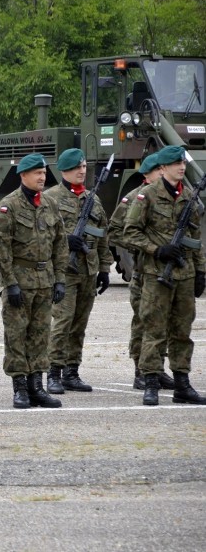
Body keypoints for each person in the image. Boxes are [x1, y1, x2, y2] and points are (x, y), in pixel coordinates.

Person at [122, 145, 206, 406]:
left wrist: (201, 271)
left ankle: (182, 383)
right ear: (164, 168)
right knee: (154, 330)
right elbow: (129, 233)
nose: (181, 167)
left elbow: (195, 238)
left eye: (182, 163)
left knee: (182, 331)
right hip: (155, 274)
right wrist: (157, 250)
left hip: (185, 274)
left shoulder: (189, 196)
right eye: (175, 163)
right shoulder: (146, 196)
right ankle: (150, 382)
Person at [0, 153, 67, 409]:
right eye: (37, 173)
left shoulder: (49, 203)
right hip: (20, 281)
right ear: (23, 175)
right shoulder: (9, 205)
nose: (42, 177)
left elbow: (60, 243)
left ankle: (37, 386)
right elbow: (1, 248)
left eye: (44, 173)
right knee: (17, 335)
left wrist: (60, 279)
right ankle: (20, 387)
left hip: (45, 281)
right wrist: (10, 283)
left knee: (40, 335)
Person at [44, 149, 113, 394]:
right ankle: (54, 372)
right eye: (76, 168)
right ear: (63, 170)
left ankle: (71, 372)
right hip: (63, 272)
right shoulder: (50, 198)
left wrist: (104, 269)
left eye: (83, 166)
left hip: (88, 269)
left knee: (79, 323)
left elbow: (103, 235)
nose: (81, 171)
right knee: (62, 322)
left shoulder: (92, 199)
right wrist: (65, 240)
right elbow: (40, 235)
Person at [107, 154, 174, 390]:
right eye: (158, 171)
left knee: (162, 322)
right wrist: (143, 247)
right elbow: (115, 232)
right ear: (147, 174)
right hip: (142, 272)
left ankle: (156, 367)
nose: (162, 174)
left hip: (164, 271)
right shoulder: (133, 198)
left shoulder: (169, 197)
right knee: (143, 322)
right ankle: (140, 370)